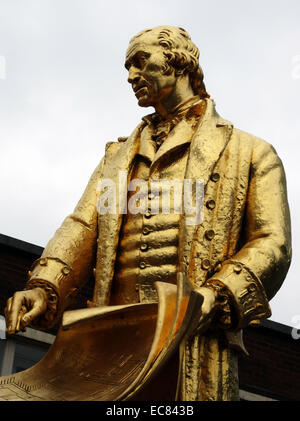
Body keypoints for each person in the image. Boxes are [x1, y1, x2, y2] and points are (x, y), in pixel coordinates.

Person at [4, 26, 291, 401]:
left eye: (141, 62)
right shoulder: (117, 158)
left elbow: (273, 242)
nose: (130, 77)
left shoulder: (249, 152)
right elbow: (82, 225)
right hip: (112, 341)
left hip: (193, 344)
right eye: (127, 68)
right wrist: (45, 286)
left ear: (180, 61)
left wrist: (216, 294)